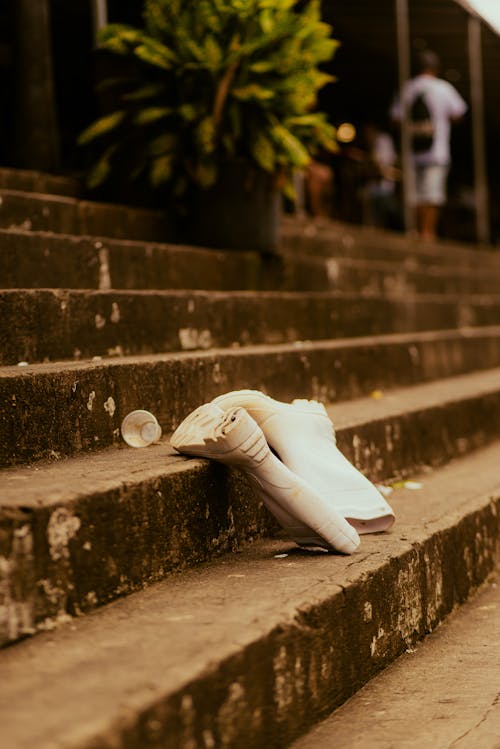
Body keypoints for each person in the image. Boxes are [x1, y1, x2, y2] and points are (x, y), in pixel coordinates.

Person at [391, 50, 467, 240]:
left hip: (412, 150)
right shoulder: (443, 88)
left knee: (413, 195)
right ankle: (427, 232)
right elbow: (458, 113)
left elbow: (395, 117)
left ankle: (415, 231)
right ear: (434, 68)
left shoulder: (407, 88)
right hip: (437, 150)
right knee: (432, 194)